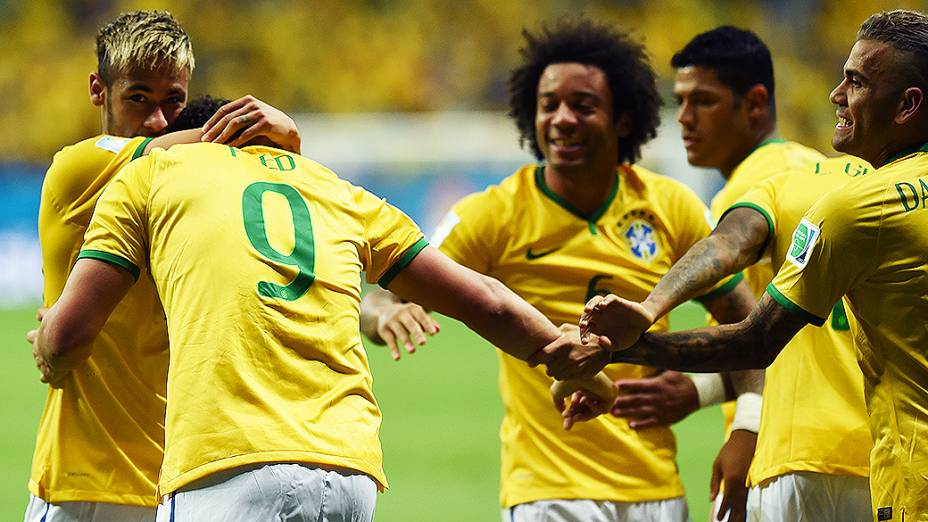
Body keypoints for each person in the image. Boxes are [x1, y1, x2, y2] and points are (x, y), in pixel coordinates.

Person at [26, 112, 614, 520]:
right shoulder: (335, 188)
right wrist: (574, 362)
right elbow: (483, 297)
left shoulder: (151, 175)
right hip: (349, 474)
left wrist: (46, 339)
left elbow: (70, 336)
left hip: (229, 464)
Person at [360, 18, 757, 522]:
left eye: (583, 106)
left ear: (623, 120)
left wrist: (734, 415)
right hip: (548, 492)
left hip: (656, 490)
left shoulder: (670, 207)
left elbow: (747, 330)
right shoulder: (494, 214)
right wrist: (382, 318)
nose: (562, 119)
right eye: (549, 105)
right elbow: (379, 296)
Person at [570, 9, 928, 521]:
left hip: (818, 456)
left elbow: (752, 317)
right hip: (868, 450)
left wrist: (639, 333)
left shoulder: (811, 197)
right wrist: (703, 390)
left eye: (701, 101)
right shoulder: (830, 175)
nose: (683, 117)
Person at [27, 10, 300, 522]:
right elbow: (174, 150)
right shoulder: (82, 166)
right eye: (138, 98)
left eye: (173, 100)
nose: (157, 118)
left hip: (178, 486)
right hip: (87, 482)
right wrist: (283, 130)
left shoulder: (191, 189)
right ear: (98, 91)